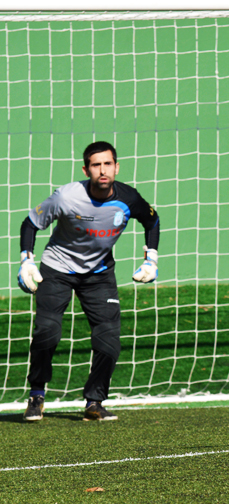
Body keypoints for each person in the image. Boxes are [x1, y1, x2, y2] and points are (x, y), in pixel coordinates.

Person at [18, 141, 160, 422]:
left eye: (108, 164)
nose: (103, 170)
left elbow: (152, 222)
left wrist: (151, 259)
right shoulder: (66, 197)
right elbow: (30, 223)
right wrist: (26, 261)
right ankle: (37, 394)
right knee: (47, 332)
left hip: (99, 274)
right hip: (57, 269)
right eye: (96, 165)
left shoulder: (129, 199)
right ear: (86, 169)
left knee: (108, 341)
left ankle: (94, 402)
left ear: (117, 167)